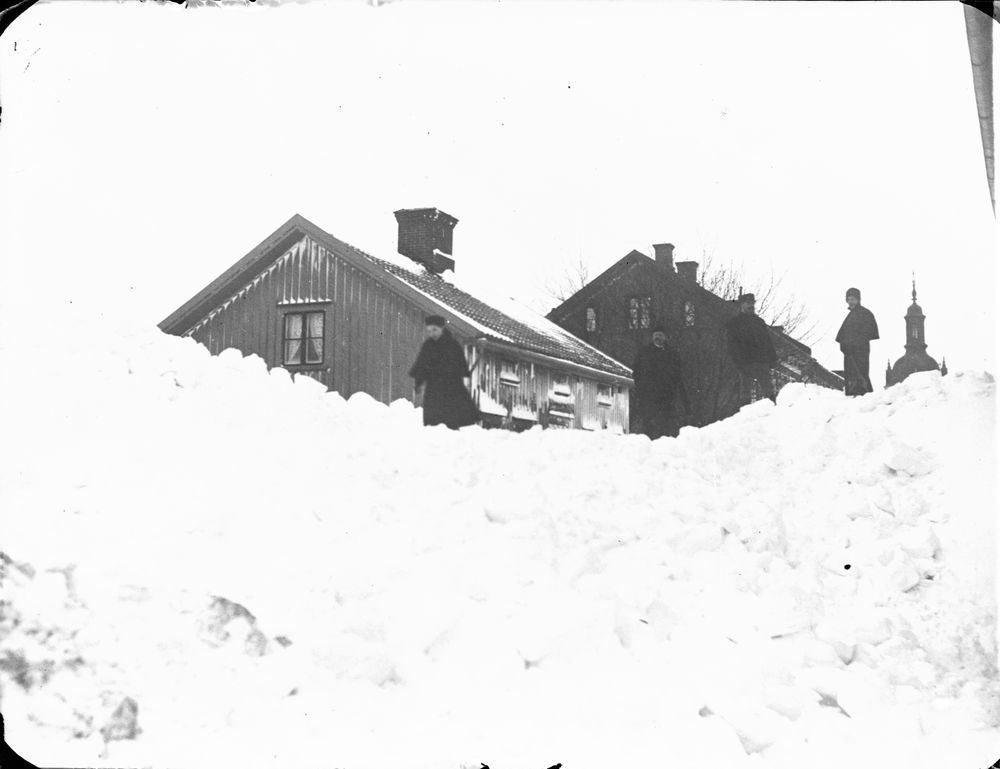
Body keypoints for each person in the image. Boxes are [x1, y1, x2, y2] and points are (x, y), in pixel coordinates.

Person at [409, 315, 480, 429]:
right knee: (433, 422)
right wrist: (419, 383)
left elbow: (459, 367)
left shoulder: (453, 345)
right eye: (429, 331)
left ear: (442, 328)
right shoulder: (428, 346)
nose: (432, 333)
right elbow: (422, 365)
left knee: (450, 420)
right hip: (433, 389)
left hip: (451, 389)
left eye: (434, 330)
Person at [632, 324, 691, 439]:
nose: (657, 337)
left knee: (665, 421)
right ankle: (647, 441)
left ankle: (664, 442)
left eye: (660, 335)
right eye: (655, 335)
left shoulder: (672, 354)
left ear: (665, 337)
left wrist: (674, 389)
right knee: (648, 420)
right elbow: (637, 371)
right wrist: (641, 387)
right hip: (649, 393)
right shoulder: (644, 353)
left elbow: (677, 374)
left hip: (666, 394)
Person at [725, 293, 778, 406]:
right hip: (745, 362)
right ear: (742, 304)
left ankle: (773, 411)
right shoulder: (735, 323)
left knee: (769, 391)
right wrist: (739, 362)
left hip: (761, 361)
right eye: (748, 303)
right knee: (745, 393)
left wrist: (772, 358)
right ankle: (745, 414)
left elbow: (767, 341)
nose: (751, 305)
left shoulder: (759, 322)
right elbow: (732, 345)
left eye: (752, 303)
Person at [835, 287, 879, 396]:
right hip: (850, 352)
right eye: (849, 299)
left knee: (860, 374)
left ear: (858, 300)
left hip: (859, 351)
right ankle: (856, 396)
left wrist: (853, 344)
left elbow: (867, 333)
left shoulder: (865, 313)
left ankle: (863, 396)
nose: (850, 302)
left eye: (853, 299)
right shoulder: (851, 315)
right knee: (852, 376)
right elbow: (843, 334)